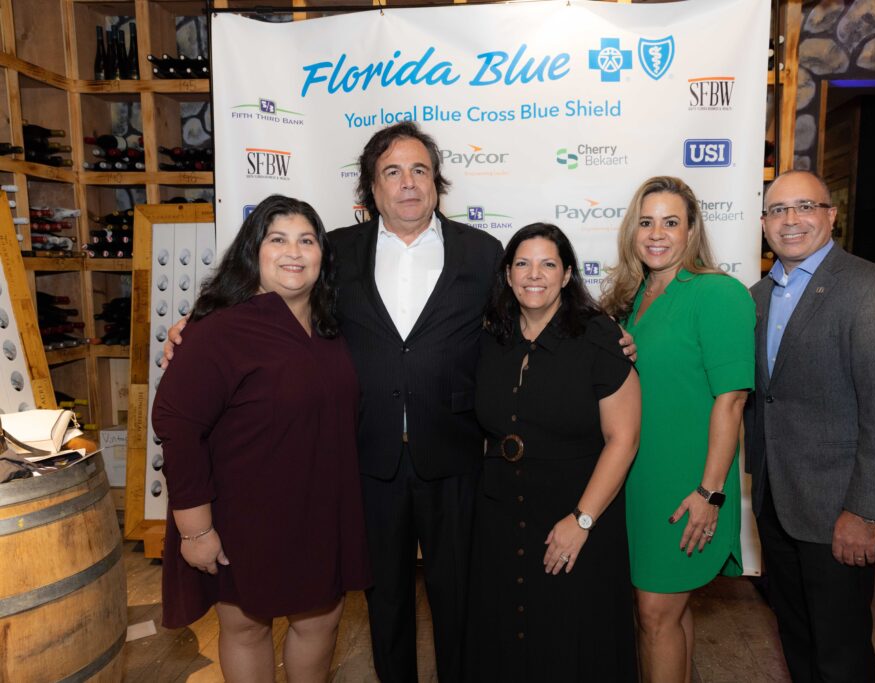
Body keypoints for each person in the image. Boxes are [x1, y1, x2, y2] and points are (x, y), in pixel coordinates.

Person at [164, 122, 635, 682]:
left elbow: (528, 317)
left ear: (437, 182)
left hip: (455, 458)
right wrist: (195, 326)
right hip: (367, 461)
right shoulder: (335, 250)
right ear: (372, 187)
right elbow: (273, 296)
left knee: (460, 601)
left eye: (419, 170)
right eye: (392, 171)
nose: (408, 183)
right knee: (383, 602)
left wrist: (603, 334)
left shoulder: (482, 252)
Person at [152, 194, 371, 682]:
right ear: (254, 251)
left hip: (320, 509)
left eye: (307, 240)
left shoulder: (332, 329)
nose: (294, 251)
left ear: (322, 256)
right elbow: (176, 423)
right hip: (242, 515)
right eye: (278, 239)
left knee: (321, 621)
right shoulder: (218, 331)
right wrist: (195, 531)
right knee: (246, 627)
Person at [745, 170, 875, 682]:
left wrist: (866, 510)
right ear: (763, 223)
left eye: (805, 206)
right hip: (776, 501)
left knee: (840, 653)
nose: (791, 220)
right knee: (797, 638)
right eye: (778, 210)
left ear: (831, 215)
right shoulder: (757, 297)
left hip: (839, 508)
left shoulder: (874, 287)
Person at [466, 223, 641, 682]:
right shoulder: (491, 339)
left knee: (571, 637)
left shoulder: (600, 337)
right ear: (507, 274)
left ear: (566, 275)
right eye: (522, 264)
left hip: (577, 511)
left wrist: (581, 521)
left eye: (548, 264)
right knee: (506, 636)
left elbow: (623, 440)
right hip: (500, 516)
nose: (534, 274)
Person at [601, 176, 754, 683]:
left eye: (671, 222)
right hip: (639, 479)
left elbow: (732, 400)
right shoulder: (634, 298)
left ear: (691, 231)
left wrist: (709, 493)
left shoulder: (717, 293)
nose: (657, 233)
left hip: (688, 481)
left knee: (655, 615)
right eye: (646, 222)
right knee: (667, 610)